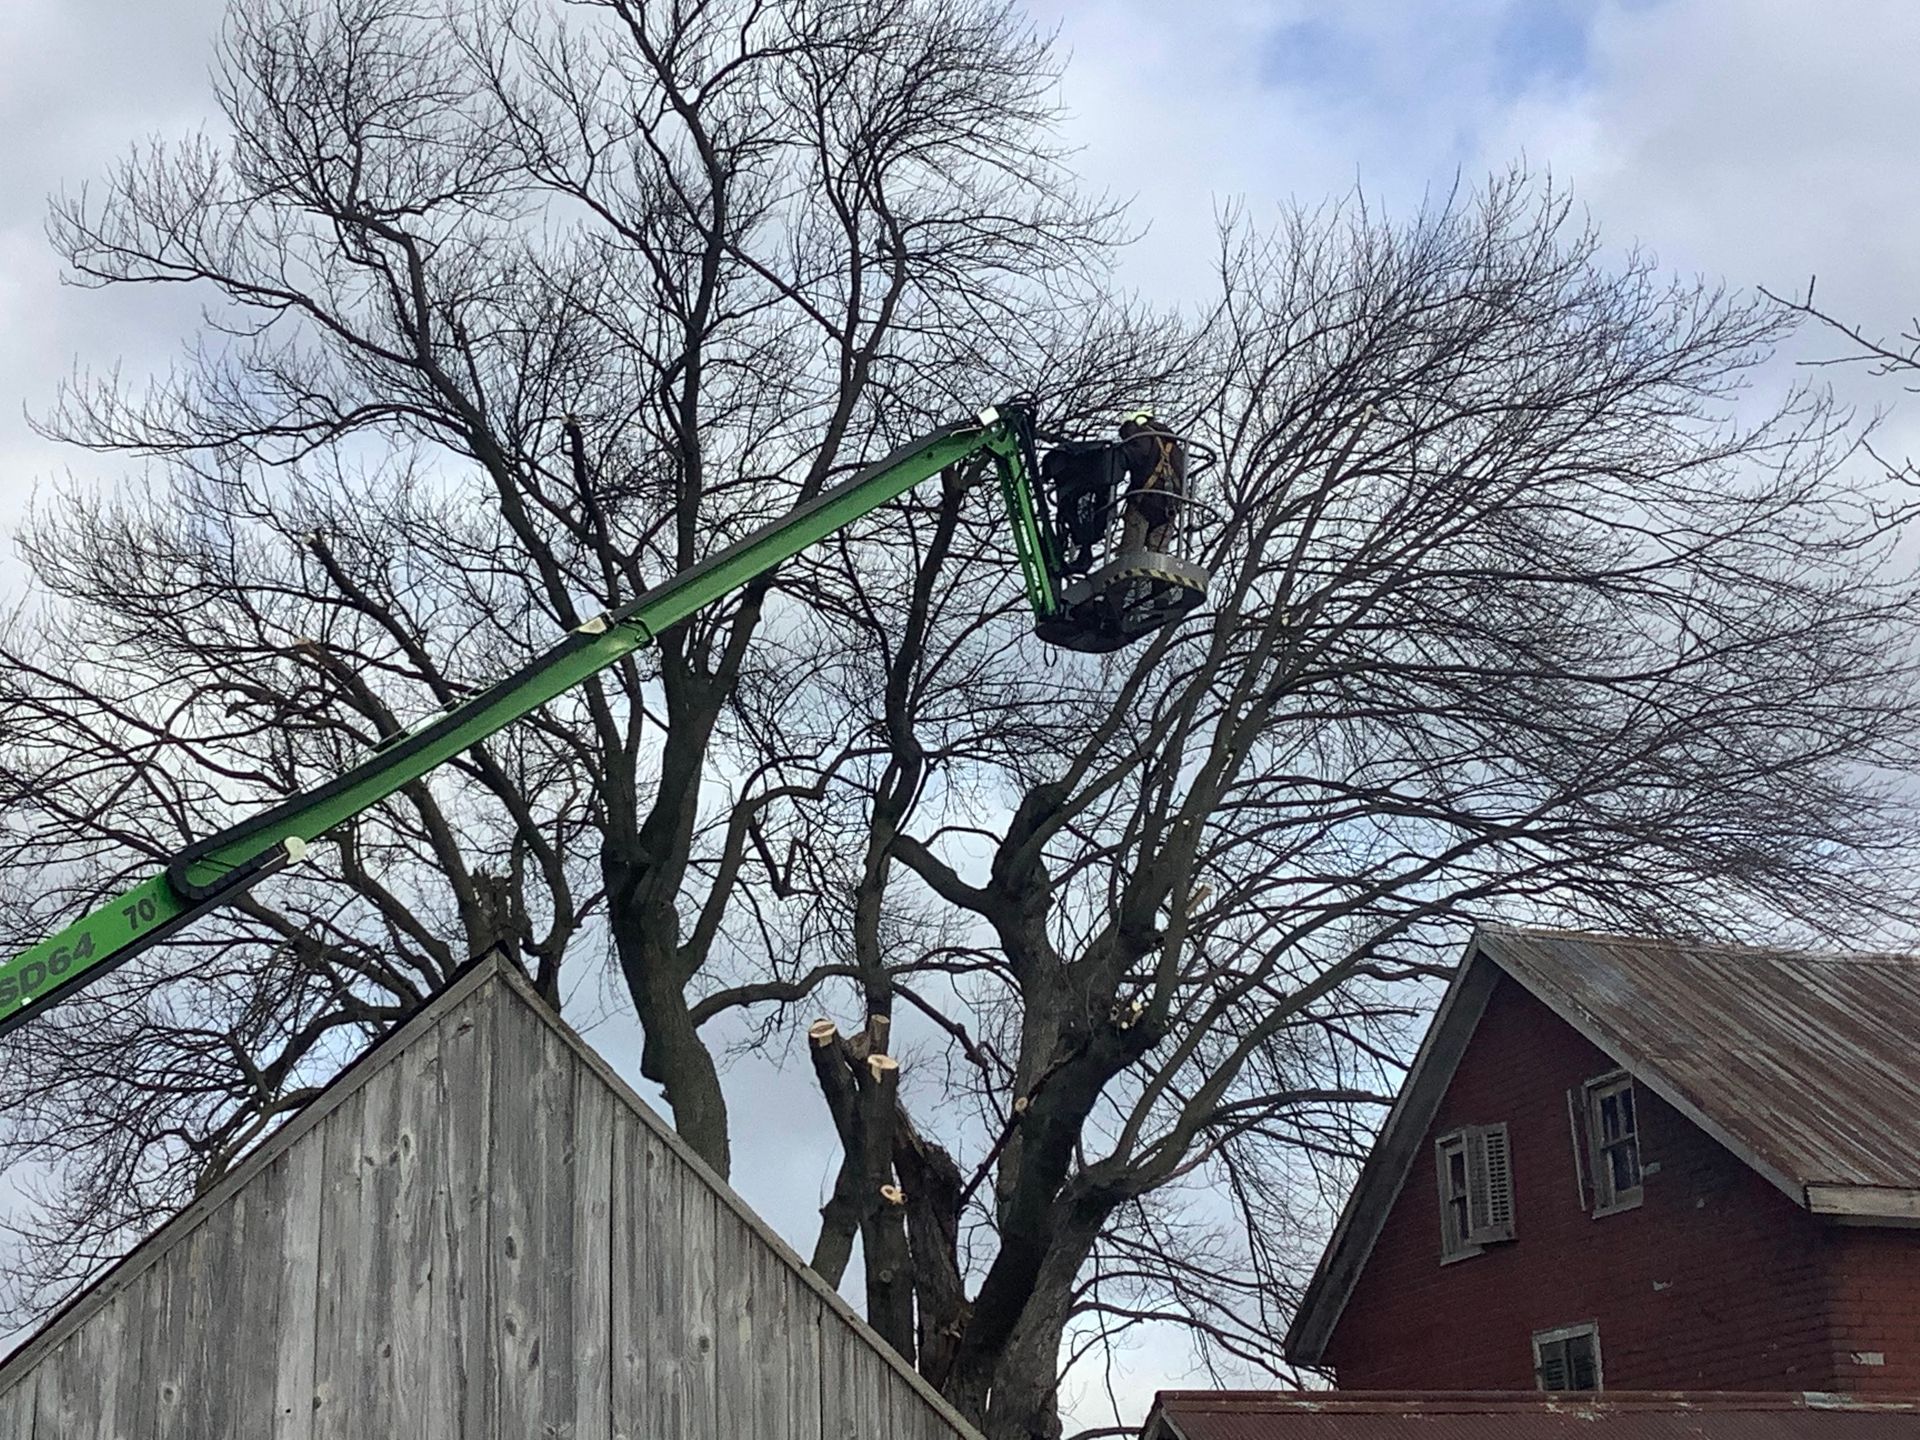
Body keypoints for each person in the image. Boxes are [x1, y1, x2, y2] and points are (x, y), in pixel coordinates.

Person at [1117, 411, 1185, 553]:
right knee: (1157, 559)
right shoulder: (1176, 447)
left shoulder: (1142, 437)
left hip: (1144, 502)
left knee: (1129, 558)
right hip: (1169, 507)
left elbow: (1128, 459)